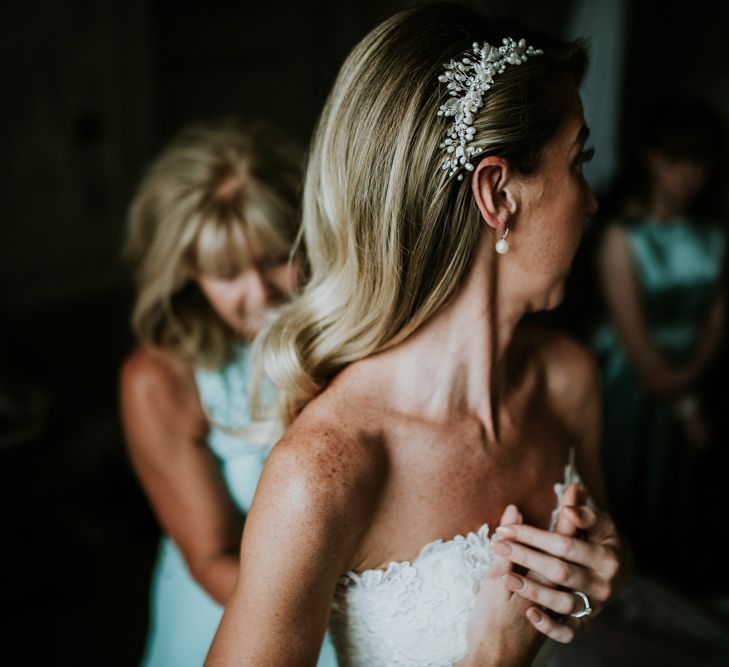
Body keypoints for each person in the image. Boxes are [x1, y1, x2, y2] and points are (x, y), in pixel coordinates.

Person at [207, 5, 623, 666]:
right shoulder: (323, 471)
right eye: (578, 161)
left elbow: (602, 586)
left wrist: (595, 573)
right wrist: (491, 658)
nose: (591, 199)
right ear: (497, 194)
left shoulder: (567, 377)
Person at [119, 121, 339, 667]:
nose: (258, 293)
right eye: (226, 274)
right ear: (189, 275)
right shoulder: (160, 382)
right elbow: (211, 553)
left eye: (272, 258)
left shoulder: (348, 338)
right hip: (231, 616)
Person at [593, 97, 727, 572]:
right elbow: (642, 353)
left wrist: (699, 369)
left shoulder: (714, 236)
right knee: (634, 499)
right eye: (676, 160)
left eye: (699, 162)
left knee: (688, 510)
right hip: (635, 384)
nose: (688, 175)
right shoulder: (623, 237)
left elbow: (718, 317)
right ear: (651, 158)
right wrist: (685, 396)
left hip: (702, 371)